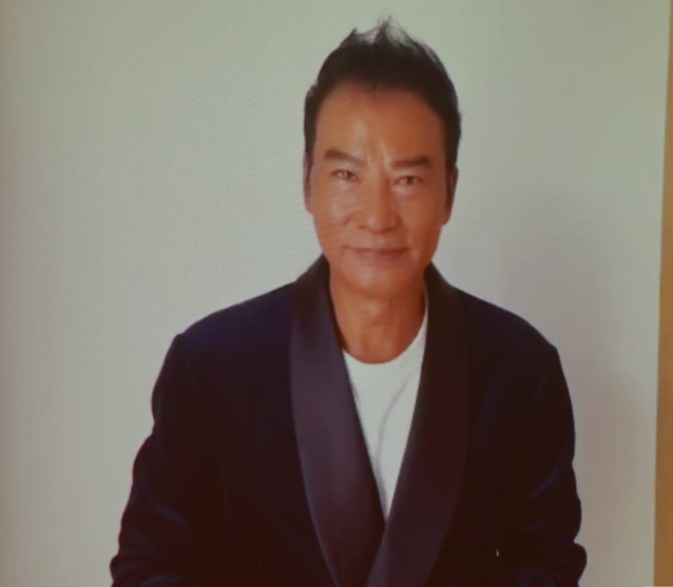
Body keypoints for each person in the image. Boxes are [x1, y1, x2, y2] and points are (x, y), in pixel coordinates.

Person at [110, 18, 586, 587]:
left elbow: (549, 564)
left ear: (449, 192)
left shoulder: (520, 369)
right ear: (307, 181)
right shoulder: (212, 368)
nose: (377, 216)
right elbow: (148, 571)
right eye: (346, 174)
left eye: (408, 180)